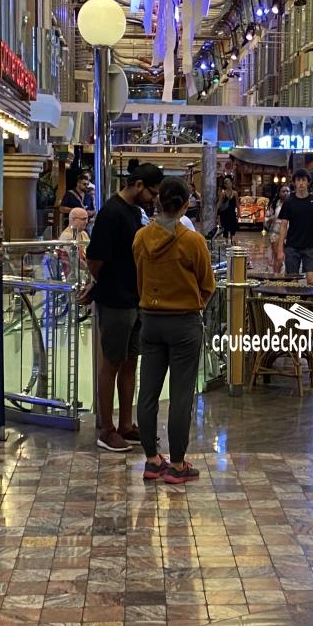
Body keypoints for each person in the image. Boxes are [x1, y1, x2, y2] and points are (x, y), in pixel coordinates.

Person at [134, 177, 216, 485]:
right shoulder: (192, 241)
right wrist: (193, 303)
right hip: (183, 322)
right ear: (185, 205)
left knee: (148, 392)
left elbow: (139, 277)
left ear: (157, 203)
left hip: (150, 320)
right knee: (181, 395)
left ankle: (152, 460)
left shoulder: (141, 237)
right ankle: (178, 464)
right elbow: (207, 284)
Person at [86, 161, 162, 452]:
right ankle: (106, 429)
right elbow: (95, 259)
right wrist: (103, 283)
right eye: (152, 192)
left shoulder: (133, 211)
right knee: (112, 362)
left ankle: (126, 424)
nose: (154, 199)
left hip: (133, 297)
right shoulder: (111, 212)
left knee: (130, 361)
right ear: (139, 185)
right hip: (116, 299)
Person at [277, 169, 313, 281]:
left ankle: (311, 294)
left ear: (308, 182)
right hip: (292, 246)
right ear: (294, 182)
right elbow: (283, 226)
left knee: (312, 280)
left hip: (311, 246)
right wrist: (280, 250)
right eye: (298, 180)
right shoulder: (288, 202)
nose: (301, 183)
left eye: (303, 180)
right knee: (292, 281)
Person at [217, 177, 239, 245]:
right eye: (226, 183)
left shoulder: (235, 193)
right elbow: (219, 204)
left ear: (231, 183)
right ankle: (226, 244)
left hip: (232, 214)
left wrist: (239, 214)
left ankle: (233, 244)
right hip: (224, 215)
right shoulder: (223, 193)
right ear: (225, 185)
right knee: (225, 232)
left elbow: (237, 204)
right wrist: (216, 213)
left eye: (228, 182)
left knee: (233, 231)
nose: (227, 184)